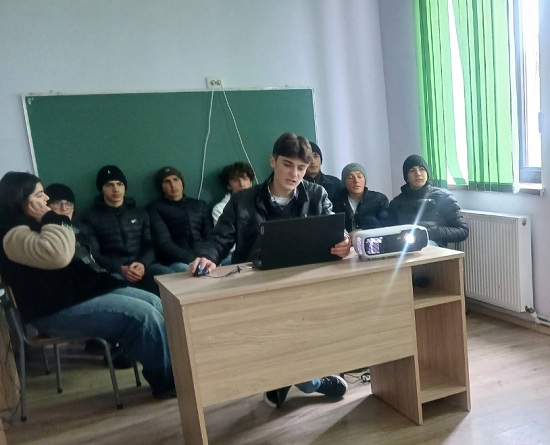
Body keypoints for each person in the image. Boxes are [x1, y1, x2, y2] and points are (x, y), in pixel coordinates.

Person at [190, 132, 351, 408]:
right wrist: (207, 256)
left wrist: (343, 243)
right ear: (273, 161)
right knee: (275, 334)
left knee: (304, 329)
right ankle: (311, 382)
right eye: (287, 164)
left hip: (304, 280)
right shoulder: (242, 200)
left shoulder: (316, 194)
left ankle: (283, 380)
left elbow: (335, 231)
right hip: (257, 283)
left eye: (301, 167)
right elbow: (219, 239)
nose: (294, 174)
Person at [0, 172, 175, 399]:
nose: (46, 199)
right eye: (40, 195)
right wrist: (50, 216)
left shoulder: (32, 224)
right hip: (54, 311)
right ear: (21, 199)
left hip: (74, 296)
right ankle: (166, 383)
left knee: (153, 301)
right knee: (143, 316)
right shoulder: (12, 234)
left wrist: (49, 219)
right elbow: (60, 255)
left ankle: (169, 367)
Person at [44, 183, 132, 368]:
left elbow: (94, 261)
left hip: (96, 282)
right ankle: (116, 346)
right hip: (76, 296)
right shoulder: (45, 238)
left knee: (149, 299)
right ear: (46, 206)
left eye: (68, 204)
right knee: (135, 307)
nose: (63, 208)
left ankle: (122, 344)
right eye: (57, 203)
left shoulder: (79, 231)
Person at [81, 165, 175, 295]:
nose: (116, 189)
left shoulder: (139, 213)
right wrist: (120, 269)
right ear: (102, 188)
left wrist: (142, 263)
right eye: (109, 185)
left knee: (170, 277)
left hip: (143, 267)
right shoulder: (90, 217)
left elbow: (150, 245)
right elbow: (94, 255)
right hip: (114, 271)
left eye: (119, 184)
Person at [387, 154, 469, 247]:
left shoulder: (443, 196)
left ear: (427, 173)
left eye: (422, 169)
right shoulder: (397, 203)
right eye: (412, 171)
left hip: (433, 247)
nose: (418, 174)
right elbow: (388, 232)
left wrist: (433, 231)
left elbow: (462, 231)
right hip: (404, 248)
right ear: (406, 177)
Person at [147, 166, 213, 272]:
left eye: (176, 180)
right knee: (192, 271)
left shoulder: (200, 205)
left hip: (204, 256)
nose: (173, 185)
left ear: (182, 183)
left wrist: (206, 256)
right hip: (176, 261)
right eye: (167, 182)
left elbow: (210, 236)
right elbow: (164, 243)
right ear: (161, 187)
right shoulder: (154, 208)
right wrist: (193, 259)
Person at [211, 162, 255, 265]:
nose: (242, 184)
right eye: (236, 180)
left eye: (245, 179)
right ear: (228, 186)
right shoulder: (220, 208)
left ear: (250, 182)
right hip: (234, 256)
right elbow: (225, 242)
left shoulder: (261, 203)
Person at [332, 162, 389, 233]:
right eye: (350, 177)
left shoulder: (379, 199)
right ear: (344, 183)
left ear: (365, 180)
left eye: (359, 176)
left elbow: (387, 225)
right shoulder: (336, 202)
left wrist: (363, 231)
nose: (356, 181)